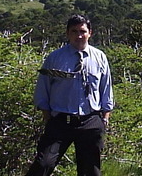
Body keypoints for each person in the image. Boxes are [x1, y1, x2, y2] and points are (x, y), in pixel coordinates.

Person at [26, 14, 114, 176]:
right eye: (74, 31)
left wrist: (105, 116)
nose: (79, 35)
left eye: (82, 31)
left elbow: (106, 88)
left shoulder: (100, 57)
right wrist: (46, 114)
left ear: (90, 33)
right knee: (43, 164)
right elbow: (43, 87)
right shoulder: (55, 58)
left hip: (90, 120)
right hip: (60, 121)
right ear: (67, 33)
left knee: (90, 170)